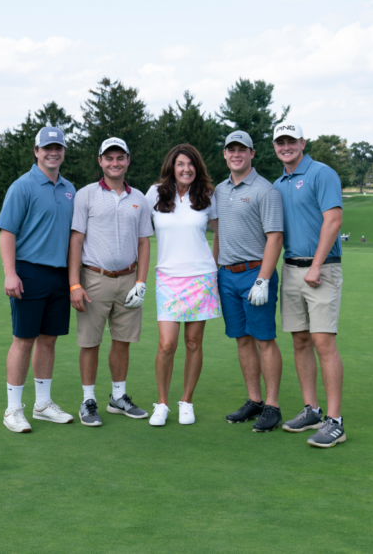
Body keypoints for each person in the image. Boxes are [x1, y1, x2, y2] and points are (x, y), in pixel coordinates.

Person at [0, 126, 76, 433]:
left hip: (59, 275)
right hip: (28, 271)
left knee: (49, 340)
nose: (53, 152)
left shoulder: (70, 189)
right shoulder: (23, 186)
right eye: (47, 148)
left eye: (58, 148)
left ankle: (42, 404)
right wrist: (10, 273)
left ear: (63, 152)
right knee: (23, 340)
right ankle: (13, 409)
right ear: (36, 151)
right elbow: (7, 232)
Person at [68, 137, 154, 427]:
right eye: (109, 158)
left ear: (128, 160)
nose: (114, 163)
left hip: (129, 279)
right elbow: (76, 240)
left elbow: (144, 244)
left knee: (122, 340)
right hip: (94, 278)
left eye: (120, 158)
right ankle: (88, 400)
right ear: (100, 161)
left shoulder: (139, 198)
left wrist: (141, 282)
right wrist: (74, 284)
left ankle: (118, 397)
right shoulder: (86, 195)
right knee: (90, 342)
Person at [272, 123, 347, 448]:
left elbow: (333, 220)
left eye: (291, 141)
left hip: (322, 269)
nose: (286, 146)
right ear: (275, 147)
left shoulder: (321, 173)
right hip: (290, 269)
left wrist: (315, 266)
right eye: (280, 142)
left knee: (322, 342)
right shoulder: (278, 183)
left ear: (302, 143)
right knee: (300, 340)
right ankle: (311, 410)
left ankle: (335, 421)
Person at [212, 130, 286, 433]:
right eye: (231, 149)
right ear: (225, 154)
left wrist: (263, 279)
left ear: (252, 153)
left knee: (264, 339)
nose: (236, 154)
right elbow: (218, 234)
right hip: (226, 275)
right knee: (242, 339)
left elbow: (275, 237)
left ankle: (273, 405)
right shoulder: (219, 190)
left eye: (242, 149)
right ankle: (254, 400)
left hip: (255, 274)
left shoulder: (265, 190)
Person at [145, 144, 221, 427]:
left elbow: (218, 234)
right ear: (171, 167)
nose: (186, 168)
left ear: (197, 167)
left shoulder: (206, 195)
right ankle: (162, 402)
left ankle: (186, 401)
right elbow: (139, 230)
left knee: (193, 342)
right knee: (167, 344)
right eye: (180, 164)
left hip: (201, 278)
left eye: (190, 164)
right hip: (167, 277)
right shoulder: (154, 193)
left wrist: (212, 267)